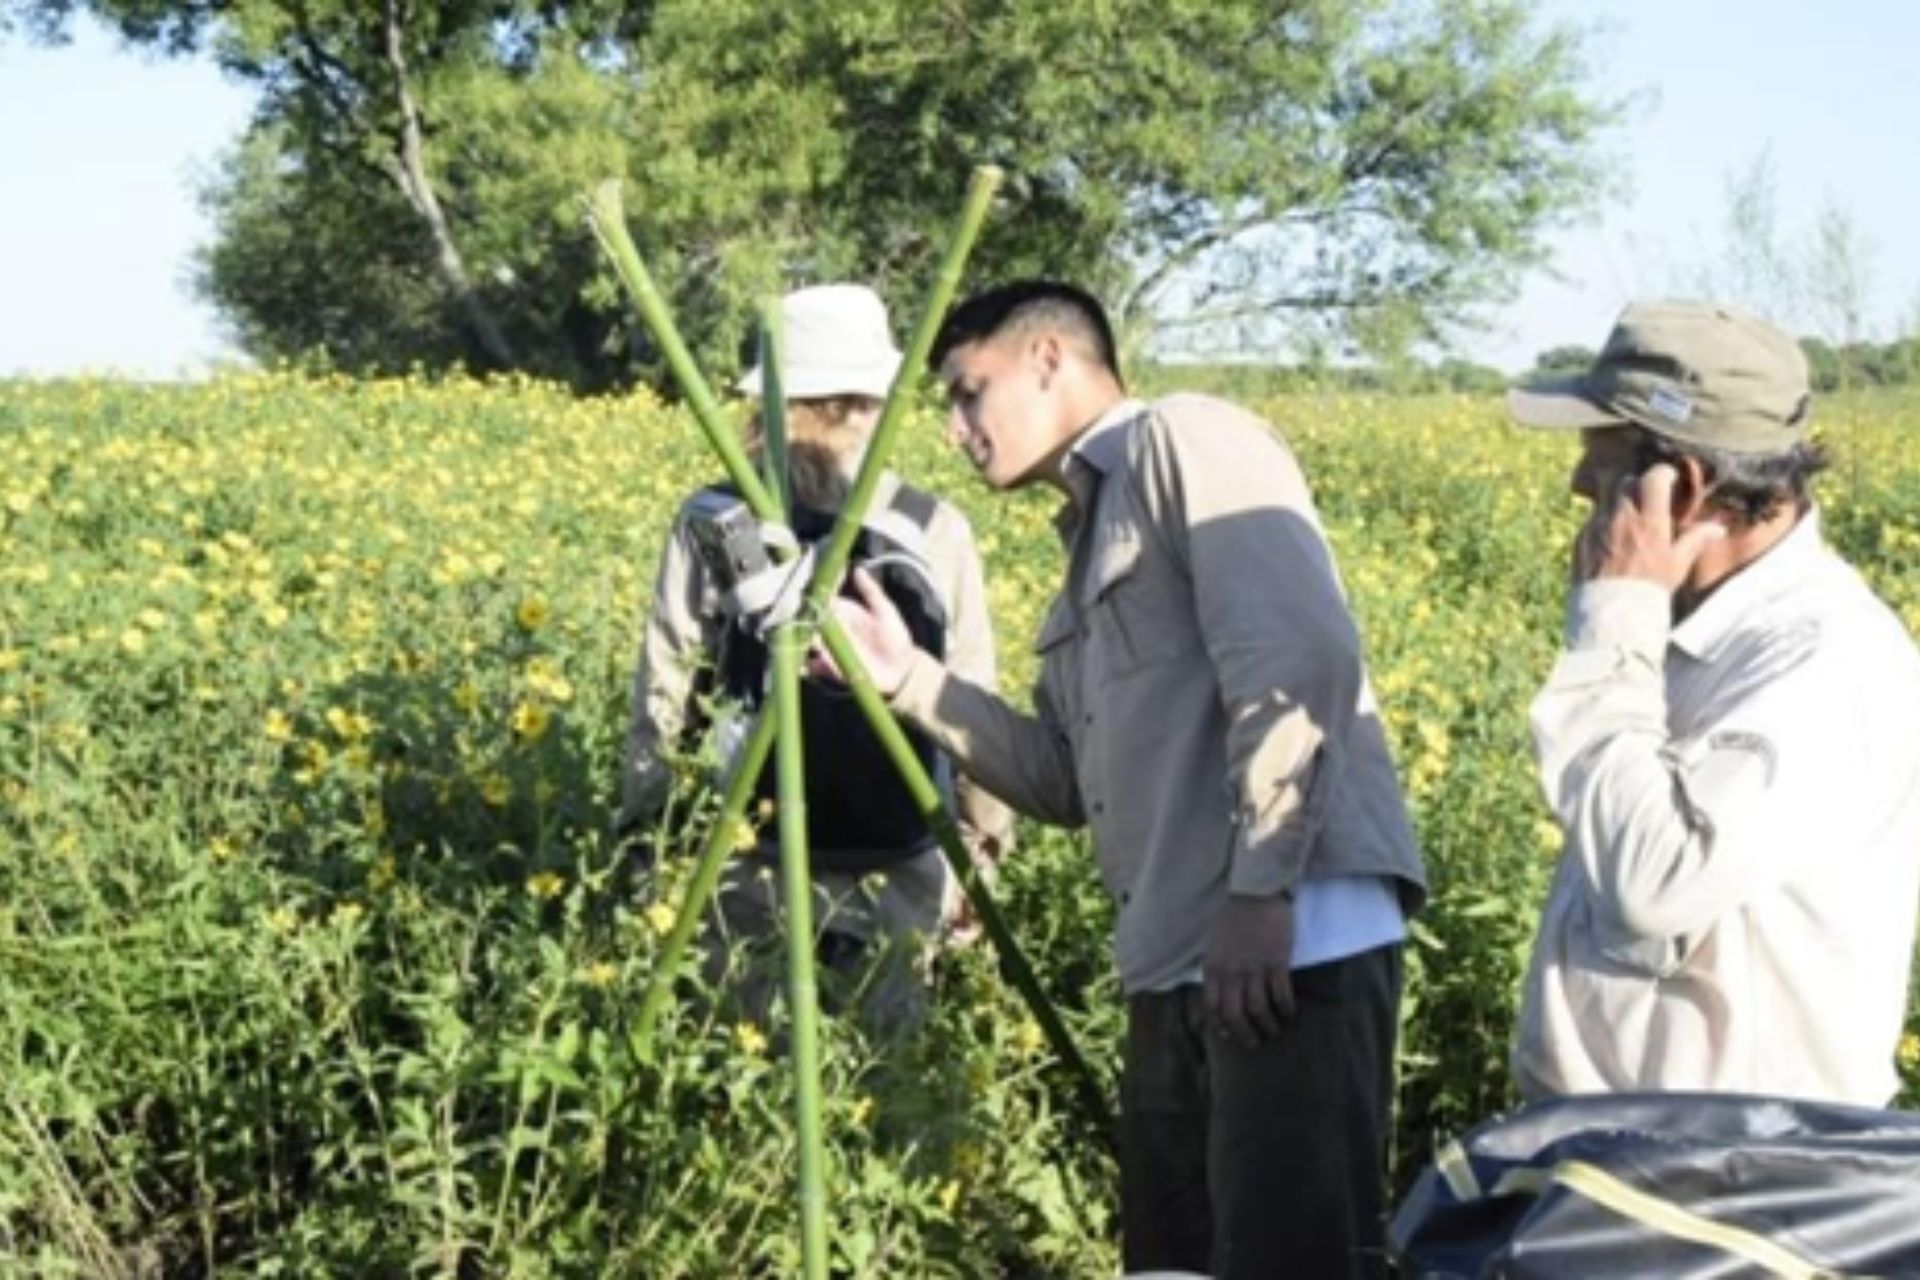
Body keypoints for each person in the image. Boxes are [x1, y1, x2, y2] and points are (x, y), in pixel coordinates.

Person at [823, 280, 1428, 1278]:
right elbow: (1063, 780)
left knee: (1290, 1260)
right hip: (1186, 957)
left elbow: (1300, 659)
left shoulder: (1184, 440)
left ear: (1051, 357)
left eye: (970, 392)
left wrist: (1260, 887)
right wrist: (910, 680)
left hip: (1290, 943)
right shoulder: (1085, 535)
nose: (954, 429)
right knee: (1172, 1262)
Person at [1508, 299, 1920, 1106]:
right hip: (1635, 1164)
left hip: (1723, 1186)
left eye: (1600, 460)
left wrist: (1612, 625)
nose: (1576, 484)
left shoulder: (1825, 660)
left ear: (1684, 487)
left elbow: (1653, 882)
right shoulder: (1696, 621)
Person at [618, 282, 1014, 1029]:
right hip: (899, 868)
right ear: (869, 401)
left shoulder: (716, 518)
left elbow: (664, 692)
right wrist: (981, 847)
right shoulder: (931, 525)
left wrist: (646, 838)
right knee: (886, 1095)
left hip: (740, 867)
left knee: (742, 1083)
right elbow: (969, 704)